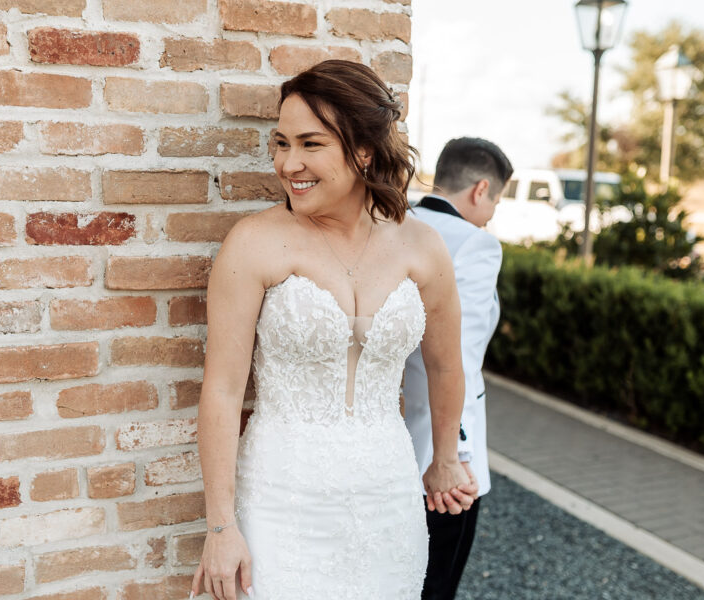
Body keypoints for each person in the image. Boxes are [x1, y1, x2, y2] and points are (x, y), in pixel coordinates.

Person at [190, 60, 476, 600]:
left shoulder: (421, 246)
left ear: (363, 150)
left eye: (310, 144)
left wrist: (444, 459)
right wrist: (221, 527)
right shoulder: (253, 243)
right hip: (280, 501)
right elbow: (222, 392)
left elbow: (444, 366)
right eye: (281, 143)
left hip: (387, 501)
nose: (288, 163)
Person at [404, 137, 513, 600]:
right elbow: (458, 356)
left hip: (392, 440)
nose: (491, 214)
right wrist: (457, 456)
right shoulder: (475, 244)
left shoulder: (399, 222)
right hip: (442, 452)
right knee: (435, 585)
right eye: (496, 202)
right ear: (481, 189)